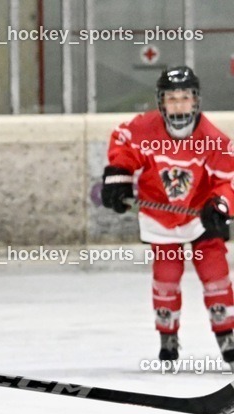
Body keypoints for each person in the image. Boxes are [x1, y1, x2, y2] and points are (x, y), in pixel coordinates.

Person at [102, 66, 234, 366]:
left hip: (201, 217)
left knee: (215, 275)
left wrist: (222, 205)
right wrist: (118, 175)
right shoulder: (144, 128)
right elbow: (123, 143)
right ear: (161, 101)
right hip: (160, 217)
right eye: (171, 98)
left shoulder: (212, 139)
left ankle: (227, 336)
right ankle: (167, 336)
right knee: (166, 277)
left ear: (195, 100)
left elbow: (229, 180)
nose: (178, 105)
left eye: (184, 98)